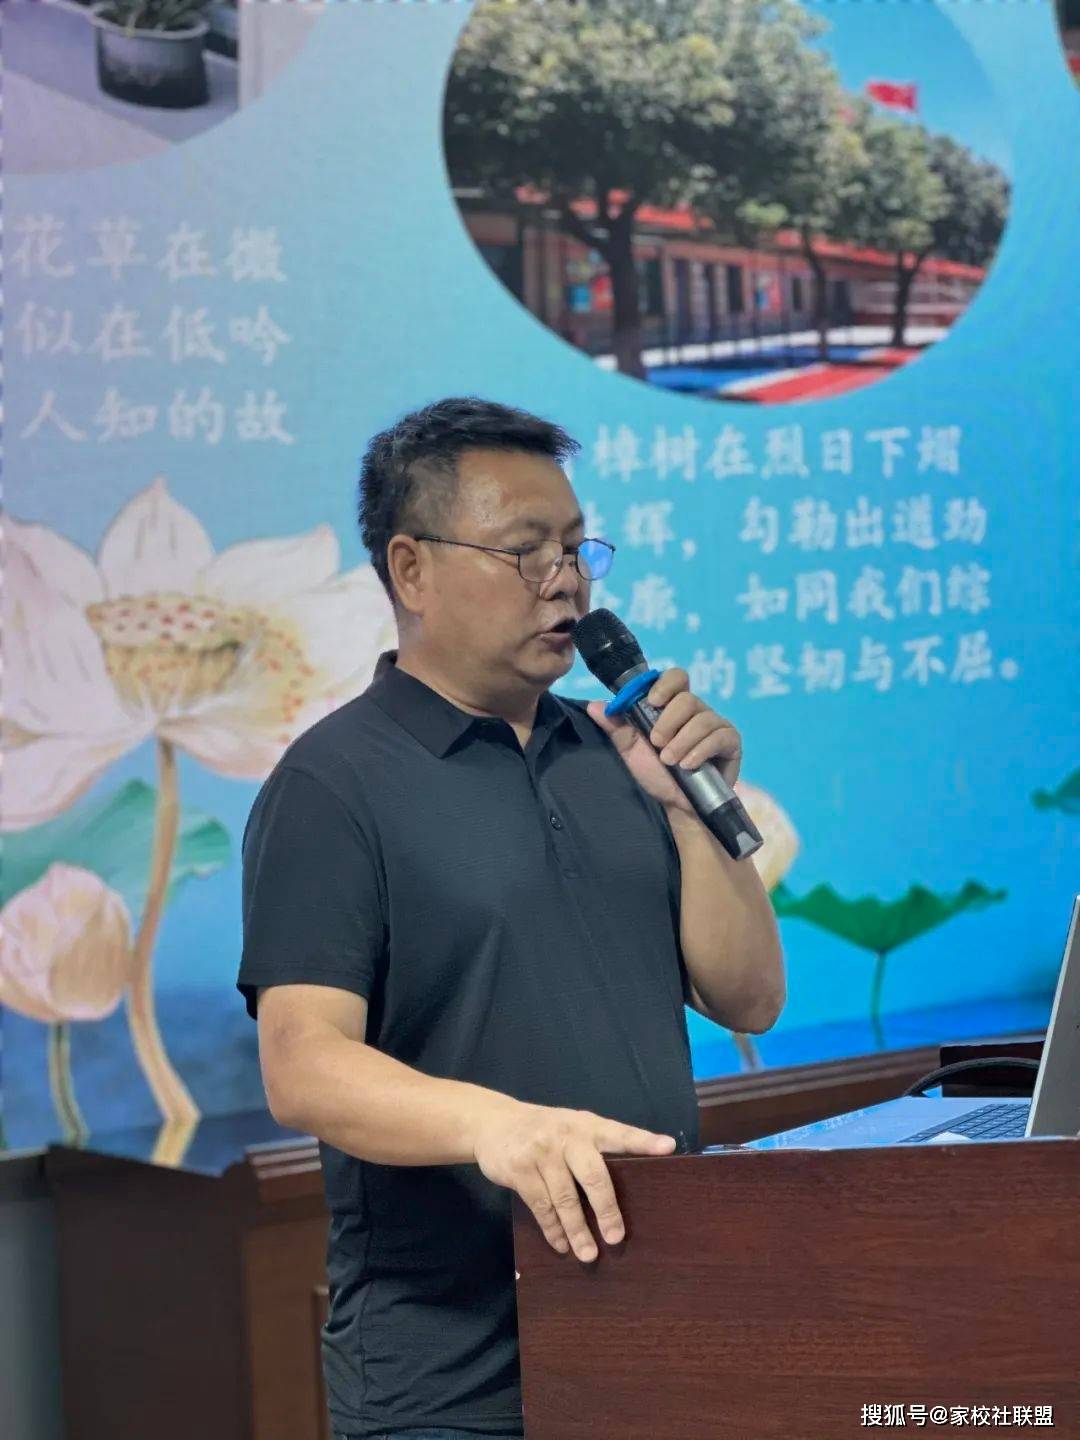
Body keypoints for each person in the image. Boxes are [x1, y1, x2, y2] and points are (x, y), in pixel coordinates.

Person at [237, 396, 784, 1440]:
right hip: (454, 1376)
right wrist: (500, 1125)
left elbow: (748, 996)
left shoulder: (616, 750)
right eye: (525, 551)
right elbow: (303, 1065)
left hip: (659, 1321)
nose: (565, 580)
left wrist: (689, 811)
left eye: (576, 548)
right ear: (411, 570)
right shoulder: (333, 783)